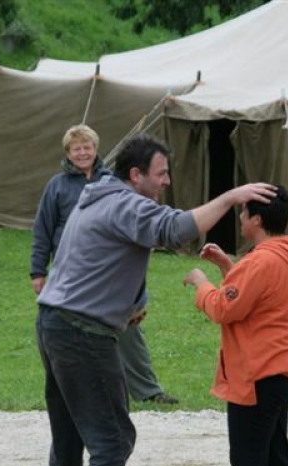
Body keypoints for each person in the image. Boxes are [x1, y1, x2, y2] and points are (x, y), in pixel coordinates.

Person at [35, 133, 276, 466]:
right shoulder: (125, 203)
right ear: (136, 175)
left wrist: (127, 303)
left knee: (70, 428)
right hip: (82, 332)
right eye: (161, 173)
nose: (167, 181)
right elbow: (175, 229)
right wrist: (231, 197)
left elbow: (96, 259)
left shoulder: (99, 197)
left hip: (54, 322)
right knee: (113, 436)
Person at [182, 186, 288, 466]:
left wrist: (201, 283)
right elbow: (253, 298)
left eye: (243, 213)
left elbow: (224, 308)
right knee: (275, 458)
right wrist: (227, 267)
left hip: (259, 372)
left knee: (247, 461)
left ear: (257, 220)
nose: (241, 219)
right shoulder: (285, 255)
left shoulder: (260, 261)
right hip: (282, 369)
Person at [30, 125, 178, 405]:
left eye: (87, 147)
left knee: (130, 333)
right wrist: (38, 271)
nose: (82, 153)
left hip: (113, 273)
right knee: (73, 339)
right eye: (76, 148)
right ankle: (80, 392)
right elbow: (43, 230)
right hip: (73, 276)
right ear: (68, 153)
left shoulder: (111, 183)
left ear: (96, 150)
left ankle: (147, 390)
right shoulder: (57, 186)